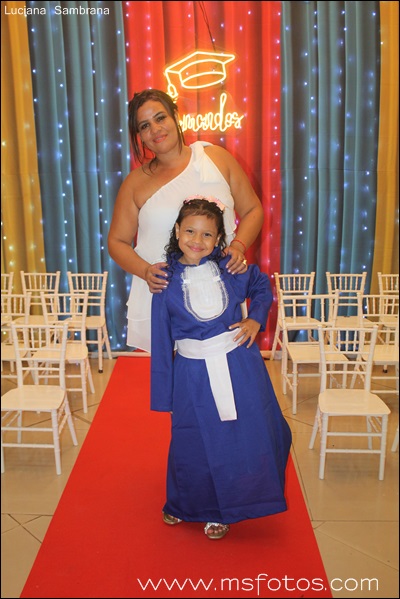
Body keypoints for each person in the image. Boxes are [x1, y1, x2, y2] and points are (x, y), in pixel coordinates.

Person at [150, 197, 292, 540]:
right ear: (177, 231)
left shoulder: (231, 268)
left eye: (207, 234)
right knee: (190, 441)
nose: (197, 240)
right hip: (191, 374)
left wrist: (255, 319)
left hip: (238, 366)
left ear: (218, 239)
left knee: (236, 438)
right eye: (190, 231)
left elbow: (261, 286)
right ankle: (184, 502)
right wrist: (164, 393)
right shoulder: (164, 279)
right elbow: (160, 337)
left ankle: (225, 508)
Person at [107, 88, 265, 352]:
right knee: (174, 372)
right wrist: (145, 272)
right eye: (145, 126)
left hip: (220, 292)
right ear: (139, 136)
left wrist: (238, 246)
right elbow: (116, 242)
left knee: (227, 365)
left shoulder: (216, 159)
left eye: (160, 118)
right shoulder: (135, 183)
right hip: (166, 297)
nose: (155, 129)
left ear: (175, 117)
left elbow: (253, 210)